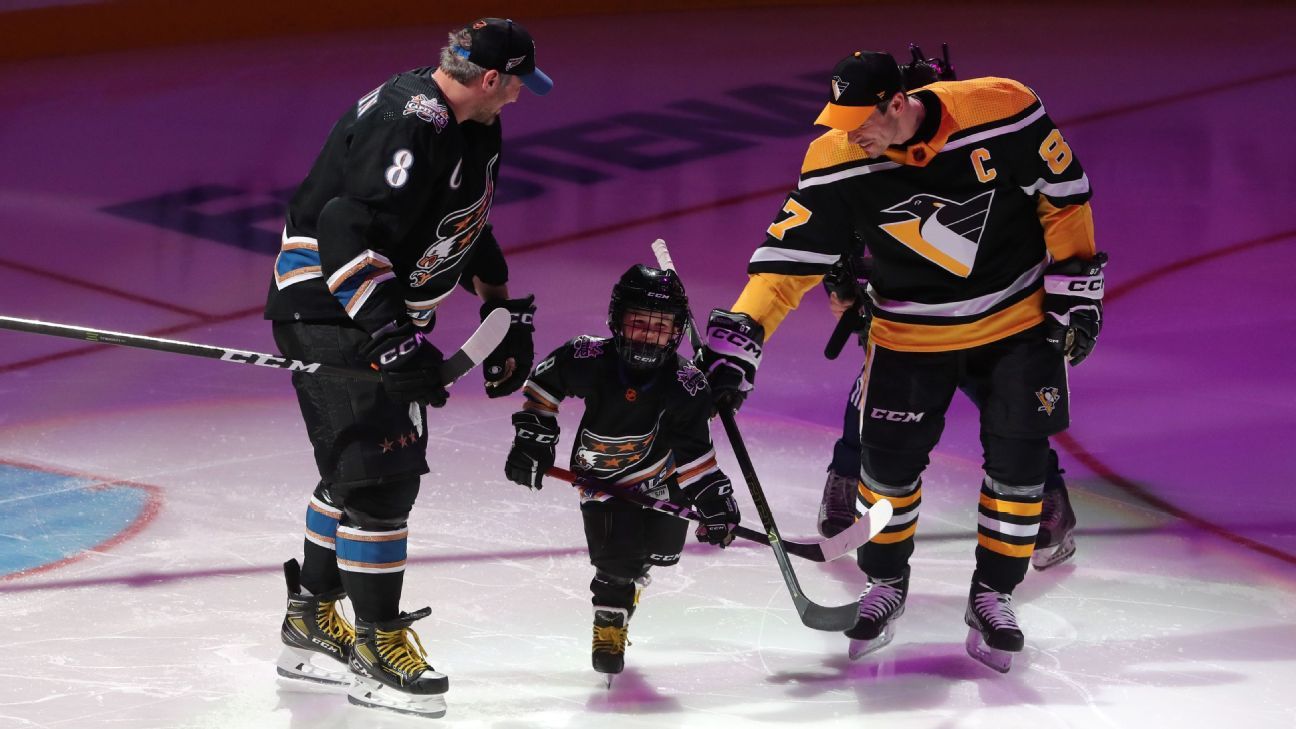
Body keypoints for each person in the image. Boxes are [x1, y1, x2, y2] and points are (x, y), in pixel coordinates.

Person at [698, 48, 1105, 673]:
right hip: (909, 336)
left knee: (1021, 470)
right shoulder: (836, 159)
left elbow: (1065, 194)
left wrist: (1076, 286)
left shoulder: (1002, 109)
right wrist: (742, 335)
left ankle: (993, 594)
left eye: (861, 116)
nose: (848, 130)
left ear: (897, 102)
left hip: (1016, 325)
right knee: (885, 474)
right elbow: (785, 265)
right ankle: (884, 585)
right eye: (839, 118)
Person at [263, 18, 551, 717]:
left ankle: (308, 623)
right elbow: (341, 229)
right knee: (383, 482)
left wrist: (502, 306)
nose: (518, 96)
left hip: (372, 315)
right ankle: (375, 646)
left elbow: (462, 222)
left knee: (355, 472)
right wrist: (392, 337)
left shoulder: (472, 124)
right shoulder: (409, 122)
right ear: (491, 78)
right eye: (516, 84)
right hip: (331, 309)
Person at [813, 48, 1078, 571]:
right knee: (875, 394)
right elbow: (842, 215)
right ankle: (848, 479)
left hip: (994, 310)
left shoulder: (983, 136)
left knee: (1009, 402)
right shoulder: (865, 151)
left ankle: (1044, 492)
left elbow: (1037, 210)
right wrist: (842, 271)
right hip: (908, 309)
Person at [503, 265, 741, 684]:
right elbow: (543, 386)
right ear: (617, 320)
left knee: (661, 555)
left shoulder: (686, 384)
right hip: (602, 479)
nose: (648, 335)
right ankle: (609, 615)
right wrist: (533, 441)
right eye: (638, 322)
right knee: (615, 562)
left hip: (661, 476)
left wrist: (714, 501)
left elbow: (693, 451)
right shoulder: (589, 356)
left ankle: (630, 581)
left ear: (677, 331)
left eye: (660, 326)